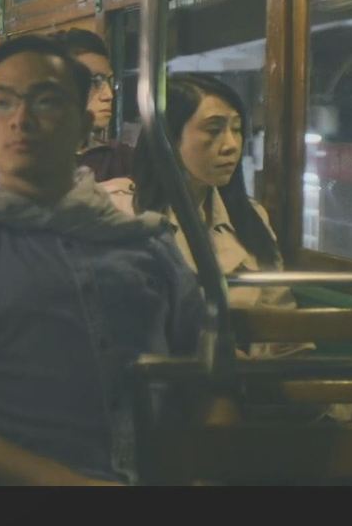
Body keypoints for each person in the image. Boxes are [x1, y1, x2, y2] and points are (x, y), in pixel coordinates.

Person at [0, 34, 205, 486]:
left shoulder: (146, 244)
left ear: (83, 124)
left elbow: (209, 370)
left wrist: (203, 466)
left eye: (45, 101)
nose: (21, 119)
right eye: (2, 102)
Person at [131, 73, 308, 359]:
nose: (231, 145)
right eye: (214, 130)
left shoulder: (250, 217)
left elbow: (280, 317)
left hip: (251, 376)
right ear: (168, 138)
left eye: (236, 129)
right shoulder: (126, 214)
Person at [55, 28, 134, 182]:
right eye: (96, 81)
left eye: (109, 81)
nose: (109, 95)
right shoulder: (27, 158)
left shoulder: (120, 157)